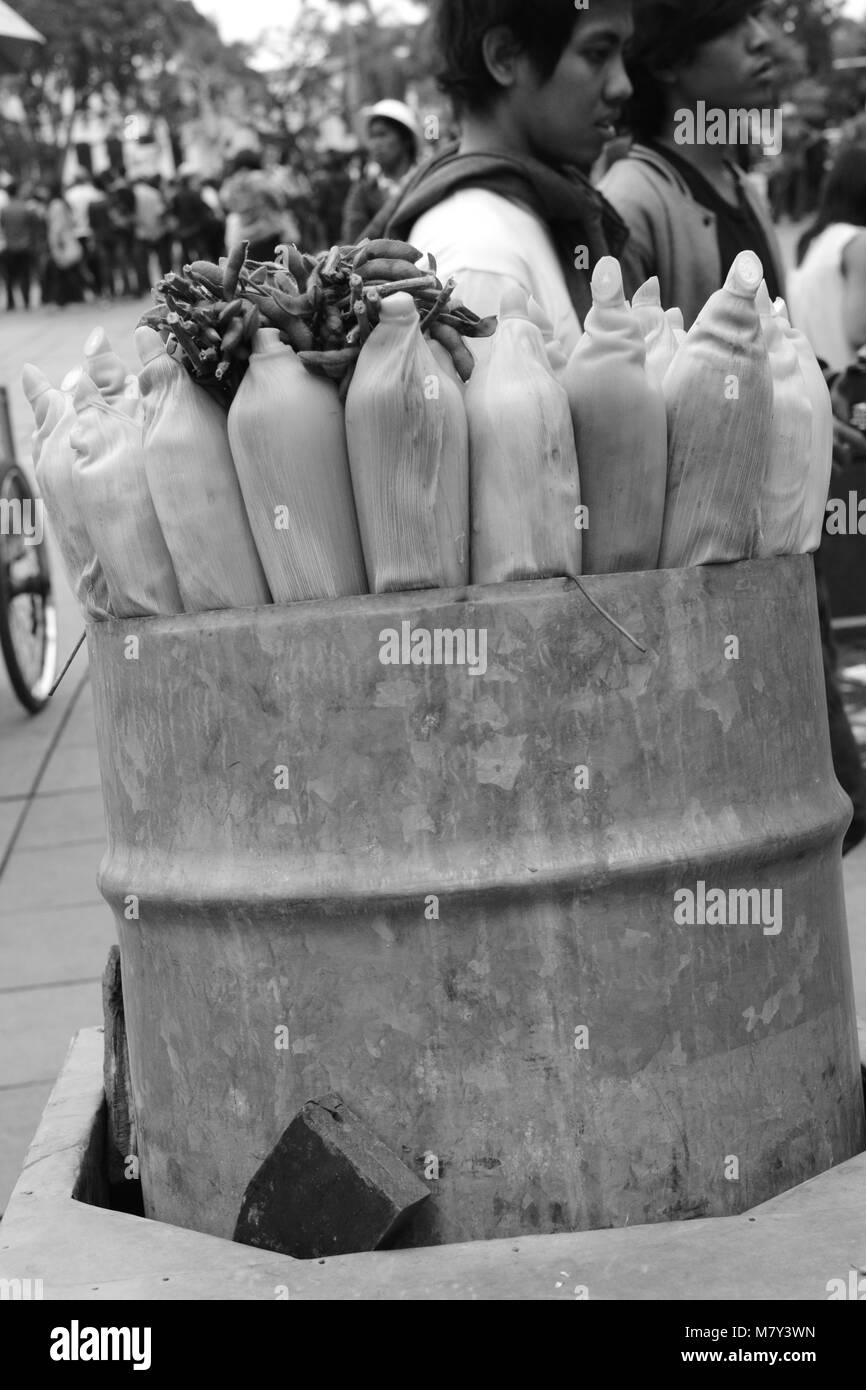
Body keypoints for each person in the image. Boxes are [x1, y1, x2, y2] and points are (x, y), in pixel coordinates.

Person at [365, 0, 633, 361]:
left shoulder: (540, 211)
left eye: (621, 54)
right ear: (505, 57)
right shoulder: (479, 259)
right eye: (598, 53)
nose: (623, 85)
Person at [598, 0, 785, 329]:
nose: (761, 38)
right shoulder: (628, 205)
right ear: (665, 61)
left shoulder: (742, 187)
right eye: (728, 24)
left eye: (755, 17)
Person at [788, 146, 866, 374]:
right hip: (847, 391)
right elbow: (858, 331)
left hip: (814, 385)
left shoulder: (812, 241)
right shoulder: (856, 242)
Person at [341, 100, 422, 244]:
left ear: (405, 139)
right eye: (372, 136)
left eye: (382, 134)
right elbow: (351, 246)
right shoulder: (362, 193)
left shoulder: (424, 183)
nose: (375, 143)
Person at [219, 151, 295, 262]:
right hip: (268, 232)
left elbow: (225, 202)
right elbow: (279, 200)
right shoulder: (259, 178)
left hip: (245, 236)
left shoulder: (231, 183)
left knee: (255, 272)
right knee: (275, 269)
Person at [0, 180, 39, 310]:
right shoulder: (25, 208)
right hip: (25, 245)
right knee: (25, 275)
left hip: (9, 246)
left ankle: (10, 303)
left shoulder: (4, 210)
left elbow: (3, 228)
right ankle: (26, 301)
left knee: (10, 276)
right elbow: (33, 227)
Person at [45, 185, 85, 308]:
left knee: (62, 271)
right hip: (68, 239)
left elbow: (57, 226)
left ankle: (63, 298)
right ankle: (75, 296)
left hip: (62, 242)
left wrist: (54, 242)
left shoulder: (55, 205)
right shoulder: (62, 204)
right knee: (69, 271)